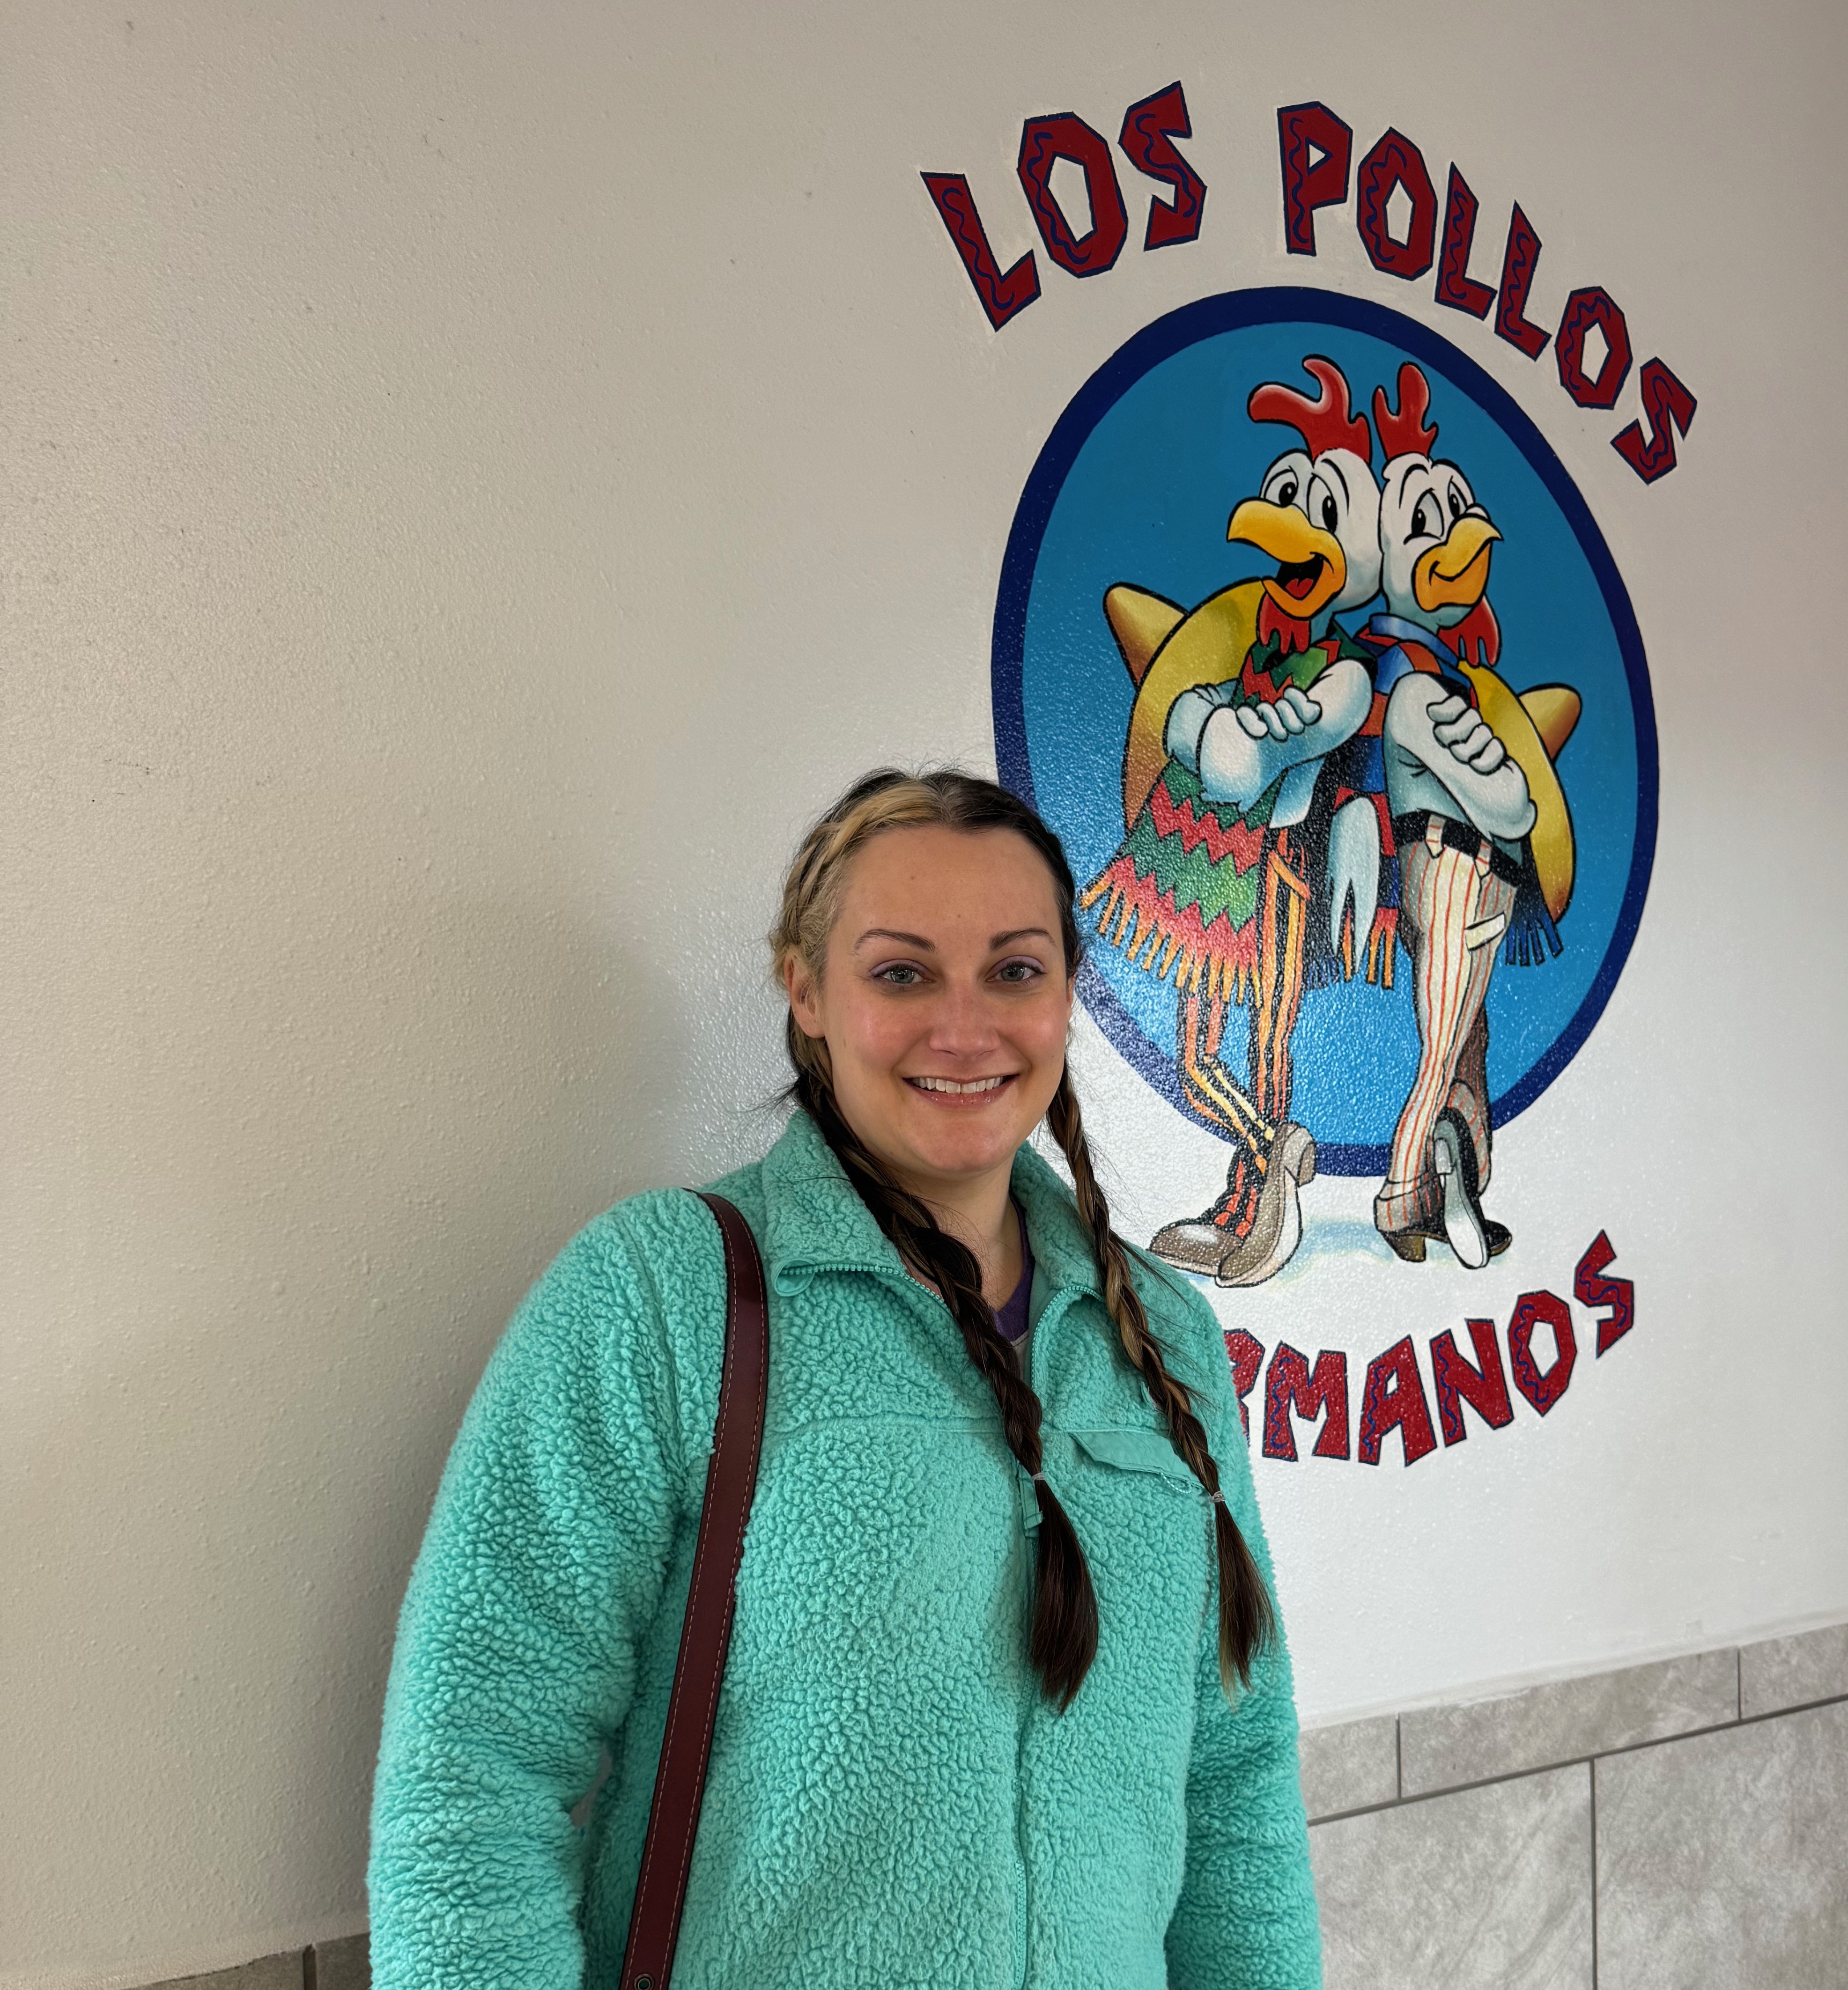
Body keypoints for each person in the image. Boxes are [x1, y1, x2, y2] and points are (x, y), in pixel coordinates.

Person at [367, 767, 1322, 1990]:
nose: (963, 1027)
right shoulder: (666, 1297)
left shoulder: (1167, 1339)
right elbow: (472, 1775)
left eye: (1014, 970)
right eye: (901, 972)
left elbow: (1232, 1783)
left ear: (1069, 996)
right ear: (806, 990)